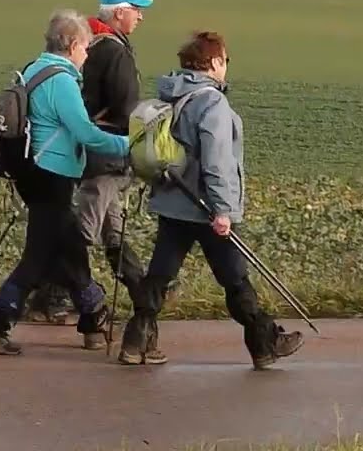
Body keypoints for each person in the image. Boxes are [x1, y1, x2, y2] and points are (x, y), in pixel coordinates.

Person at [118, 31, 305, 369]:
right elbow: (218, 161)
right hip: (205, 209)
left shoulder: (172, 95)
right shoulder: (212, 103)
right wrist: (223, 210)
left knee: (160, 275)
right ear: (215, 62)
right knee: (235, 277)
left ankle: (136, 341)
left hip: (172, 202)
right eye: (225, 61)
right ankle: (265, 343)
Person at [0, 9, 131, 356]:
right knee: (39, 256)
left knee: (69, 246)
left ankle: (93, 316)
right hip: (51, 176)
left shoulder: (33, 69)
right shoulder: (61, 80)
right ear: (72, 45)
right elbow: (86, 133)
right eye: (85, 47)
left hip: (30, 172)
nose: (87, 55)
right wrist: (129, 146)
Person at [23, 0, 166, 324]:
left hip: (93, 154)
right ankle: (53, 297)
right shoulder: (113, 50)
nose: (141, 17)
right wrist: (135, 144)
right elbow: (127, 108)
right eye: (136, 10)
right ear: (119, 13)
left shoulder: (93, 44)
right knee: (83, 231)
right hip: (105, 156)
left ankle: (142, 291)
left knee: (112, 228)